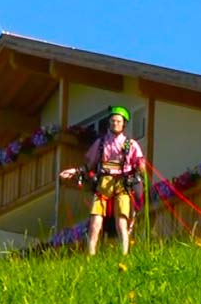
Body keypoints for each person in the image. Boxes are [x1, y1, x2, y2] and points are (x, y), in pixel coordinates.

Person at [59, 106, 146, 255]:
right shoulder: (100, 143)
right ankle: (91, 255)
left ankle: (124, 254)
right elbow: (89, 166)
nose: (115, 124)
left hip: (123, 184)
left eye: (118, 121)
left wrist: (140, 167)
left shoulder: (131, 144)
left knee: (122, 222)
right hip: (103, 183)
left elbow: (140, 164)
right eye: (112, 121)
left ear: (124, 124)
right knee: (95, 223)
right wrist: (75, 171)